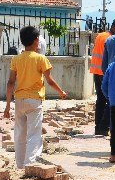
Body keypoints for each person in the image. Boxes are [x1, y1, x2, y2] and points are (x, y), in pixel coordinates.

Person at [4, 25, 68, 168]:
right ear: (35, 40)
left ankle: (20, 165)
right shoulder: (40, 59)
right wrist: (61, 92)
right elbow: (49, 80)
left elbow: (10, 82)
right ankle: (30, 164)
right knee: (34, 134)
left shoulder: (16, 59)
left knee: (20, 134)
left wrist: (8, 105)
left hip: (19, 99)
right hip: (34, 100)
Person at [90, 18, 115, 136]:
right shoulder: (110, 39)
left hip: (96, 70)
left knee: (100, 100)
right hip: (104, 72)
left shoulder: (100, 35)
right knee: (109, 100)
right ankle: (104, 127)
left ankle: (98, 127)